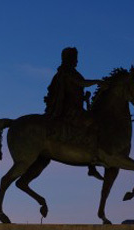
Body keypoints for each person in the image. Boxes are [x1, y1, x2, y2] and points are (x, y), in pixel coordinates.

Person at [44, 47, 103, 179]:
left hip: (74, 107)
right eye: (75, 57)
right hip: (70, 111)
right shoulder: (66, 72)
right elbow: (81, 83)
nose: (77, 60)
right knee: (95, 124)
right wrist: (98, 82)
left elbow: (73, 91)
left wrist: (83, 98)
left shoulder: (66, 72)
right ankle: (92, 162)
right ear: (69, 58)